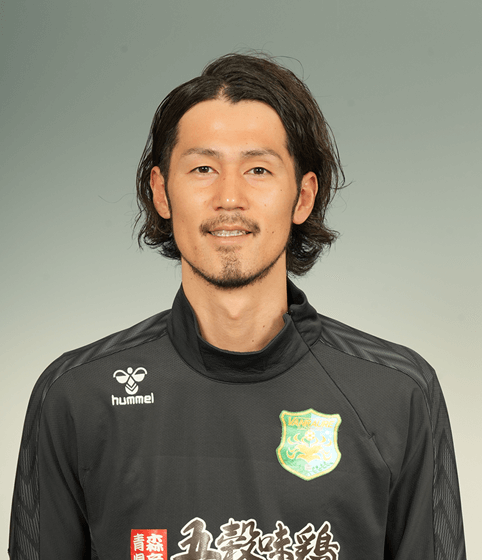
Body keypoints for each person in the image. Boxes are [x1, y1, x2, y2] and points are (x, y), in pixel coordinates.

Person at [9, 53, 466, 560]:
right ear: (162, 192)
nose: (229, 198)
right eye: (203, 168)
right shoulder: (74, 396)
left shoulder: (400, 393)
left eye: (258, 169)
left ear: (303, 196)